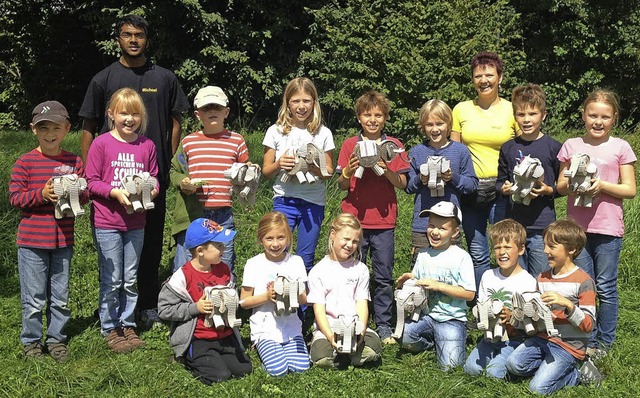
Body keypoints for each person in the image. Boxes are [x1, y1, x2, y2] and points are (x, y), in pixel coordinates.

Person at [79, 14, 190, 326]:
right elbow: (88, 126)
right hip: (109, 186)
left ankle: (148, 304)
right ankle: (111, 311)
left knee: (150, 242)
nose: (133, 40)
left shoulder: (164, 78)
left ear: (146, 39)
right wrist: (90, 174)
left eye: (139, 35)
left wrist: (166, 157)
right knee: (112, 248)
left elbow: (175, 119)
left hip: (151, 177)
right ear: (118, 38)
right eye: (127, 34)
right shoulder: (103, 79)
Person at [556, 89, 636, 353]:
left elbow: (630, 190)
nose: (598, 122)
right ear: (584, 115)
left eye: (605, 116)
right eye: (593, 115)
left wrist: (601, 185)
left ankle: (606, 341)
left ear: (614, 118)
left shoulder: (621, 147)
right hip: (577, 231)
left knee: (605, 286)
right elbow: (560, 186)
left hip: (608, 227)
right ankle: (583, 337)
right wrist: (576, 186)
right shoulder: (571, 145)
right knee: (583, 284)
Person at [9, 101, 86, 362]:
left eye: (55, 127)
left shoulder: (74, 161)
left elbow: (84, 196)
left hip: (63, 239)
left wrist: (77, 192)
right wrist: (41, 194)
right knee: (33, 298)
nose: (49, 133)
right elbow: (15, 198)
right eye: (43, 128)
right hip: (32, 241)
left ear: (66, 129)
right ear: (33, 130)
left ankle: (56, 339)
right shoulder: (25, 162)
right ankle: (31, 342)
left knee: (60, 296)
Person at [85, 88, 159, 353]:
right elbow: (91, 182)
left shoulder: (147, 145)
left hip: (136, 223)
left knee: (129, 278)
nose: (129, 119)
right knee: (112, 277)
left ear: (142, 117)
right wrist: (115, 192)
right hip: (107, 222)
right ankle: (110, 327)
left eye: (135, 114)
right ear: (111, 114)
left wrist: (151, 190)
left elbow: (154, 179)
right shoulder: (101, 143)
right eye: (123, 113)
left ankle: (127, 323)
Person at [336, 90, 409, 344]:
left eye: (378, 115)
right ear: (359, 118)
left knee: (383, 275)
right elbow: (342, 186)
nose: (373, 120)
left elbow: (402, 183)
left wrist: (384, 166)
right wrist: (349, 170)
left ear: (385, 118)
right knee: (352, 272)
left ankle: (385, 323)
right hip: (354, 220)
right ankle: (351, 318)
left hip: (383, 220)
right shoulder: (349, 145)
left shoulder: (394, 145)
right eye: (367, 115)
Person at [451, 52, 518, 288]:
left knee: (504, 246)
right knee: (477, 251)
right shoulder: (460, 110)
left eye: (489, 74)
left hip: (503, 189)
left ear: (500, 77)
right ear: (472, 79)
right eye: (478, 75)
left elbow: (522, 149)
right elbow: (454, 151)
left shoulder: (513, 110)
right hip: (471, 188)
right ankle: (482, 302)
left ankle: (508, 299)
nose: (484, 80)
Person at [506, 219, 596, 395]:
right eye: (545, 245)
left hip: (568, 346)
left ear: (572, 249)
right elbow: (538, 314)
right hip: (542, 339)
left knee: (538, 388)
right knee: (513, 365)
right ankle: (548, 367)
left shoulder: (584, 281)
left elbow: (589, 325)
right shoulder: (542, 278)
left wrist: (568, 305)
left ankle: (577, 373)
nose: (545, 251)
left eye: (552, 247)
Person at [158, 218, 252, 384]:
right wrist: (196, 308)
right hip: (199, 336)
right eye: (219, 246)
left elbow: (232, 298)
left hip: (225, 334)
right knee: (219, 376)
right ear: (200, 250)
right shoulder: (183, 276)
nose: (223, 249)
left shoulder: (224, 270)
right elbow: (165, 310)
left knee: (244, 370)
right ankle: (188, 356)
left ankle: (218, 355)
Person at [169, 86, 250, 276]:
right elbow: (174, 170)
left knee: (224, 262)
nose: (212, 111)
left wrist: (250, 172)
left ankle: (222, 300)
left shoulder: (237, 141)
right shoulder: (189, 142)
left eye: (217, 107)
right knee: (190, 264)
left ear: (226, 112)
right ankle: (188, 302)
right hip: (195, 213)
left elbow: (246, 170)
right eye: (206, 108)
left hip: (223, 215)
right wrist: (183, 182)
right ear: (198, 114)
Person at [262, 77, 335, 272]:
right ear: (287, 103)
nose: (301, 106)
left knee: (305, 257)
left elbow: (328, 172)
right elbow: (266, 171)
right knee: (278, 252)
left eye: (306, 101)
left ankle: (303, 302)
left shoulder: (323, 133)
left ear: (314, 103)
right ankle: (277, 298)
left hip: (313, 202)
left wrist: (313, 168)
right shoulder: (276, 131)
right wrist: (280, 164)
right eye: (296, 101)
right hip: (284, 200)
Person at [396, 201, 475, 370]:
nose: (435, 232)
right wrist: (407, 282)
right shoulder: (423, 254)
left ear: (454, 233)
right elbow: (418, 286)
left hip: (452, 319)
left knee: (450, 367)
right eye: (431, 226)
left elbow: (469, 294)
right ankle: (432, 345)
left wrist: (438, 286)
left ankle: (448, 342)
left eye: (442, 228)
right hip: (426, 316)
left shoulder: (462, 257)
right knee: (403, 335)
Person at [497, 84, 562, 277]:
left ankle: (541, 307)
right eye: (521, 114)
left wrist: (548, 190)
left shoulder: (553, 147)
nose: (526, 120)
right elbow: (499, 182)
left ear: (543, 115)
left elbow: (562, 187)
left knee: (542, 276)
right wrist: (505, 188)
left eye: (532, 114)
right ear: (514, 116)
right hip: (515, 225)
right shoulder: (508, 147)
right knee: (516, 276)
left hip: (542, 225)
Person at [307, 213, 382, 369]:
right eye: (346, 239)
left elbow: (362, 304)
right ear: (333, 235)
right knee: (321, 357)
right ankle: (338, 353)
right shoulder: (318, 271)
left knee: (373, 348)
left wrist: (360, 333)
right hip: (329, 327)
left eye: (355, 241)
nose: (350, 245)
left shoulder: (360, 269)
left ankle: (350, 353)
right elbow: (319, 310)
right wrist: (330, 336)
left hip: (354, 326)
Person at [463, 219, 537, 379]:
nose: (502, 252)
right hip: (489, 337)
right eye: (497, 247)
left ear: (521, 249)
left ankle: (522, 366)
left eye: (507, 247)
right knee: (471, 369)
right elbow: (481, 304)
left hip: (514, 338)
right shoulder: (488, 276)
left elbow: (530, 318)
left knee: (493, 374)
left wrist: (512, 317)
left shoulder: (528, 281)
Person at [239, 212, 310, 376]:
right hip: (265, 328)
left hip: (291, 326)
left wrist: (294, 292)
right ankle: (263, 348)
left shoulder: (296, 262)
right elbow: (243, 302)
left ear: (289, 238)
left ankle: (286, 350)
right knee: (278, 370)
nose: (276, 244)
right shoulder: (254, 264)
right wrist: (266, 296)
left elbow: (304, 299)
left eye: (281, 238)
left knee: (301, 367)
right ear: (260, 239)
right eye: (269, 238)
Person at [406, 99, 477, 261]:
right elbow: (408, 187)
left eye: (440, 123)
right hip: (423, 224)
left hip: (449, 225)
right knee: (421, 267)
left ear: (449, 125)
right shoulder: (417, 152)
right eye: (429, 124)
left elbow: (472, 184)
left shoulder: (460, 151)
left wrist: (453, 177)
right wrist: (420, 179)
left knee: (450, 266)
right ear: (423, 127)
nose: (435, 129)